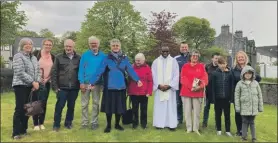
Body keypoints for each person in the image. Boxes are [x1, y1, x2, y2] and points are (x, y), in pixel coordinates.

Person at [89, 38, 143, 133]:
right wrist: (92, 82)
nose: (115, 47)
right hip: (110, 87)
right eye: (113, 45)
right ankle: (108, 125)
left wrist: (137, 80)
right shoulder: (106, 58)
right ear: (111, 47)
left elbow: (130, 70)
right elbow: (99, 71)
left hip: (121, 87)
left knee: (120, 108)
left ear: (120, 46)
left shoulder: (125, 58)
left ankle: (117, 124)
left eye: (117, 45)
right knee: (109, 109)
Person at [11, 38, 40, 139]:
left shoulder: (34, 58)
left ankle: (23, 130)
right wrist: (32, 82)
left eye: (30, 44)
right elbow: (19, 72)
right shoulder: (18, 56)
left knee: (28, 109)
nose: (28, 46)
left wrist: (36, 82)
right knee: (19, 109)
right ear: (22, 46)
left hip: (31, 86)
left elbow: (38, 71)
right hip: (20, 86)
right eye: (26, 44)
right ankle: (16, 133)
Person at [51, 39, 81, 132]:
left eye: (70, 46)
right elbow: (54, 73)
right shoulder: (59, 57)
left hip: (74, 88)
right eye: (66, 46)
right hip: (62, 88)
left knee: (71, 107)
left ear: (73, 47)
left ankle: (68, 123)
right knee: (59, 107)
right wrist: (55, 87)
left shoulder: (79, 57)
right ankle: (56, 125)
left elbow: (81, 72)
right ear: (64, 47)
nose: (68, 48)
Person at [78, 36, 106, 130]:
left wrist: (103, 84)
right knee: (84, 104)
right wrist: (81, 82)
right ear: (89, 44)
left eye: (95, 43)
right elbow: (81, 69)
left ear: (98, 44)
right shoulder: (85, 55)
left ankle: (94, 122)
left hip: (97, 84)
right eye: (91, 43)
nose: (94, 45)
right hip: (85, 83)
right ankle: (84, 123)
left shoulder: (103, 56)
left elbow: (104, 71)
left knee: (96, 103)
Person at [231, 51, 261, 136]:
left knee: (247, 113)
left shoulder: (249, 68)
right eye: (239, 57)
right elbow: (232, 83)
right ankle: (239, 130)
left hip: (248, 95)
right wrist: (232, 96)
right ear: (236, 59)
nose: (240, 58)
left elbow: (258, 78)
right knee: (238, 113)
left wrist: (252, 83)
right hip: (238, 95)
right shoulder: (234, 69)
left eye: (242, 57)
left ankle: (245, 131)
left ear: (245, 58)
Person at [180, 49, 208, 135]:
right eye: (193, 56)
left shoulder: (201, 66)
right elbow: (183, 78)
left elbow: (205, 79)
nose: (195, 57)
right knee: (187, 111)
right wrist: (190, 87)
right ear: (190, 57)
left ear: (198, 57)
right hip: (186, 92)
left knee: (197, 112)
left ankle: (196, 128)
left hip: (198, 92)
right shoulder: (185, 66)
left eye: (196, 56)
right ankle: (189, 128)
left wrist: (199, 87)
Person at [152, 46, 180, 131]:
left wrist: (170, 85)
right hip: (159, 89)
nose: (165, 52)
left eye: (166, 51)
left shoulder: (173, 61)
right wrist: (158, 85)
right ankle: (159, 124)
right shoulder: (156, 61)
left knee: (170, 107)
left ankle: (171, 124)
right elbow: (153, 74)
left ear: (169, 51)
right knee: (160, 106)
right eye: (163, 51)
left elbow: (176, 75)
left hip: (170, 89)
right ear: (160, 51)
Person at [234, 66, 263, 142]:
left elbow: (259, 95)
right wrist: (237, 107)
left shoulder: (256, 83)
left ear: (252, 74)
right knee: (244, 122)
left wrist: (260, 107)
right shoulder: (239, 84)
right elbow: (236, 96)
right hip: (244, 107)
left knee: (252, 122)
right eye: (246, 73)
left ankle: (254, 138)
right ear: (243, 74)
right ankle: (244, 137)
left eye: (249, 73)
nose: (247, 75)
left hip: (253, 108)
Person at [32, 38, 55, 131]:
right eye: (46, 44)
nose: (48, 46)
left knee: (43, 103)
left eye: (50, 45)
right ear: (43, 45)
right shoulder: (36, 54)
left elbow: (53, 71)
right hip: (36, 83)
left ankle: (41, 123)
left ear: (52, 46)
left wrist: (47, 79)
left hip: (46, 83)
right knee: (35, 103)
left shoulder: (53, 57)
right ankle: (35, 124)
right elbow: (31, 67)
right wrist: (37, 79)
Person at [127, 53, 153, 129]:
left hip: (144, 93)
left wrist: (149, 92)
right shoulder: (131, 67)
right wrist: (128, 91)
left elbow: (150, 81)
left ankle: (144, 124)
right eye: (136, 60)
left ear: (143, 60)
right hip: (133, 92)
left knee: (144, 110)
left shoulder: (147, 68)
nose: (137, 62)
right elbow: (128, 80)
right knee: (134, 109)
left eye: (139, 60)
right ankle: (135, 124)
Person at [211, 56, 233, 136]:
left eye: (224, 63)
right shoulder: (214, 74)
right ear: (218, 64)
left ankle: (227, 130)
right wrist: (213, 98)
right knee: (218, 114)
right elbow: (212, 87)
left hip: (226, 99)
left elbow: (231, 86)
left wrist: (231, 97)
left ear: (226, 63)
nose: (222, 65)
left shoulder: (230, 73)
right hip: (218, 98)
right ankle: (219, 129)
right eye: (220, 64)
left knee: (227, 115)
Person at [202, 52, 220, 128]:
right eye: (216, 58)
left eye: (218, 58)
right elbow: (203, 77)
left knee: (217, 109)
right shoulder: (207, 66)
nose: (217, 60)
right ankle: (204, 123)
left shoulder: (221, 67)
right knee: (206, 108)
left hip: (217, 91)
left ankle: (217, 124)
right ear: (212, 58)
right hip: (208, 91)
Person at [174, 42, 190, 125]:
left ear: (188, 48)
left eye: (185, 47)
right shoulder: (175, 58)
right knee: (178, 102)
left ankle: (188, 120)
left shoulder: (192, 57)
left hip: (189, 85)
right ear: (180, 48)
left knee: (188, 103)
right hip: (178, 84)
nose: (184, 48)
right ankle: (179, 119)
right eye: (182, 47)